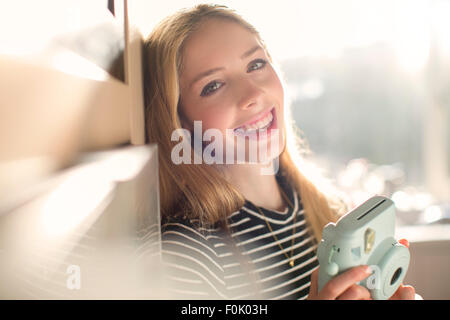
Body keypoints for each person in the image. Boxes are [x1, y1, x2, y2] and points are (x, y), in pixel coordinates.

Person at [142, 3, 416, 300]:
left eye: (256, 64)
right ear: (180, 123)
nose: (253, 94)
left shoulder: (329, 209)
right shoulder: (189, 256)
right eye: (213, 85)